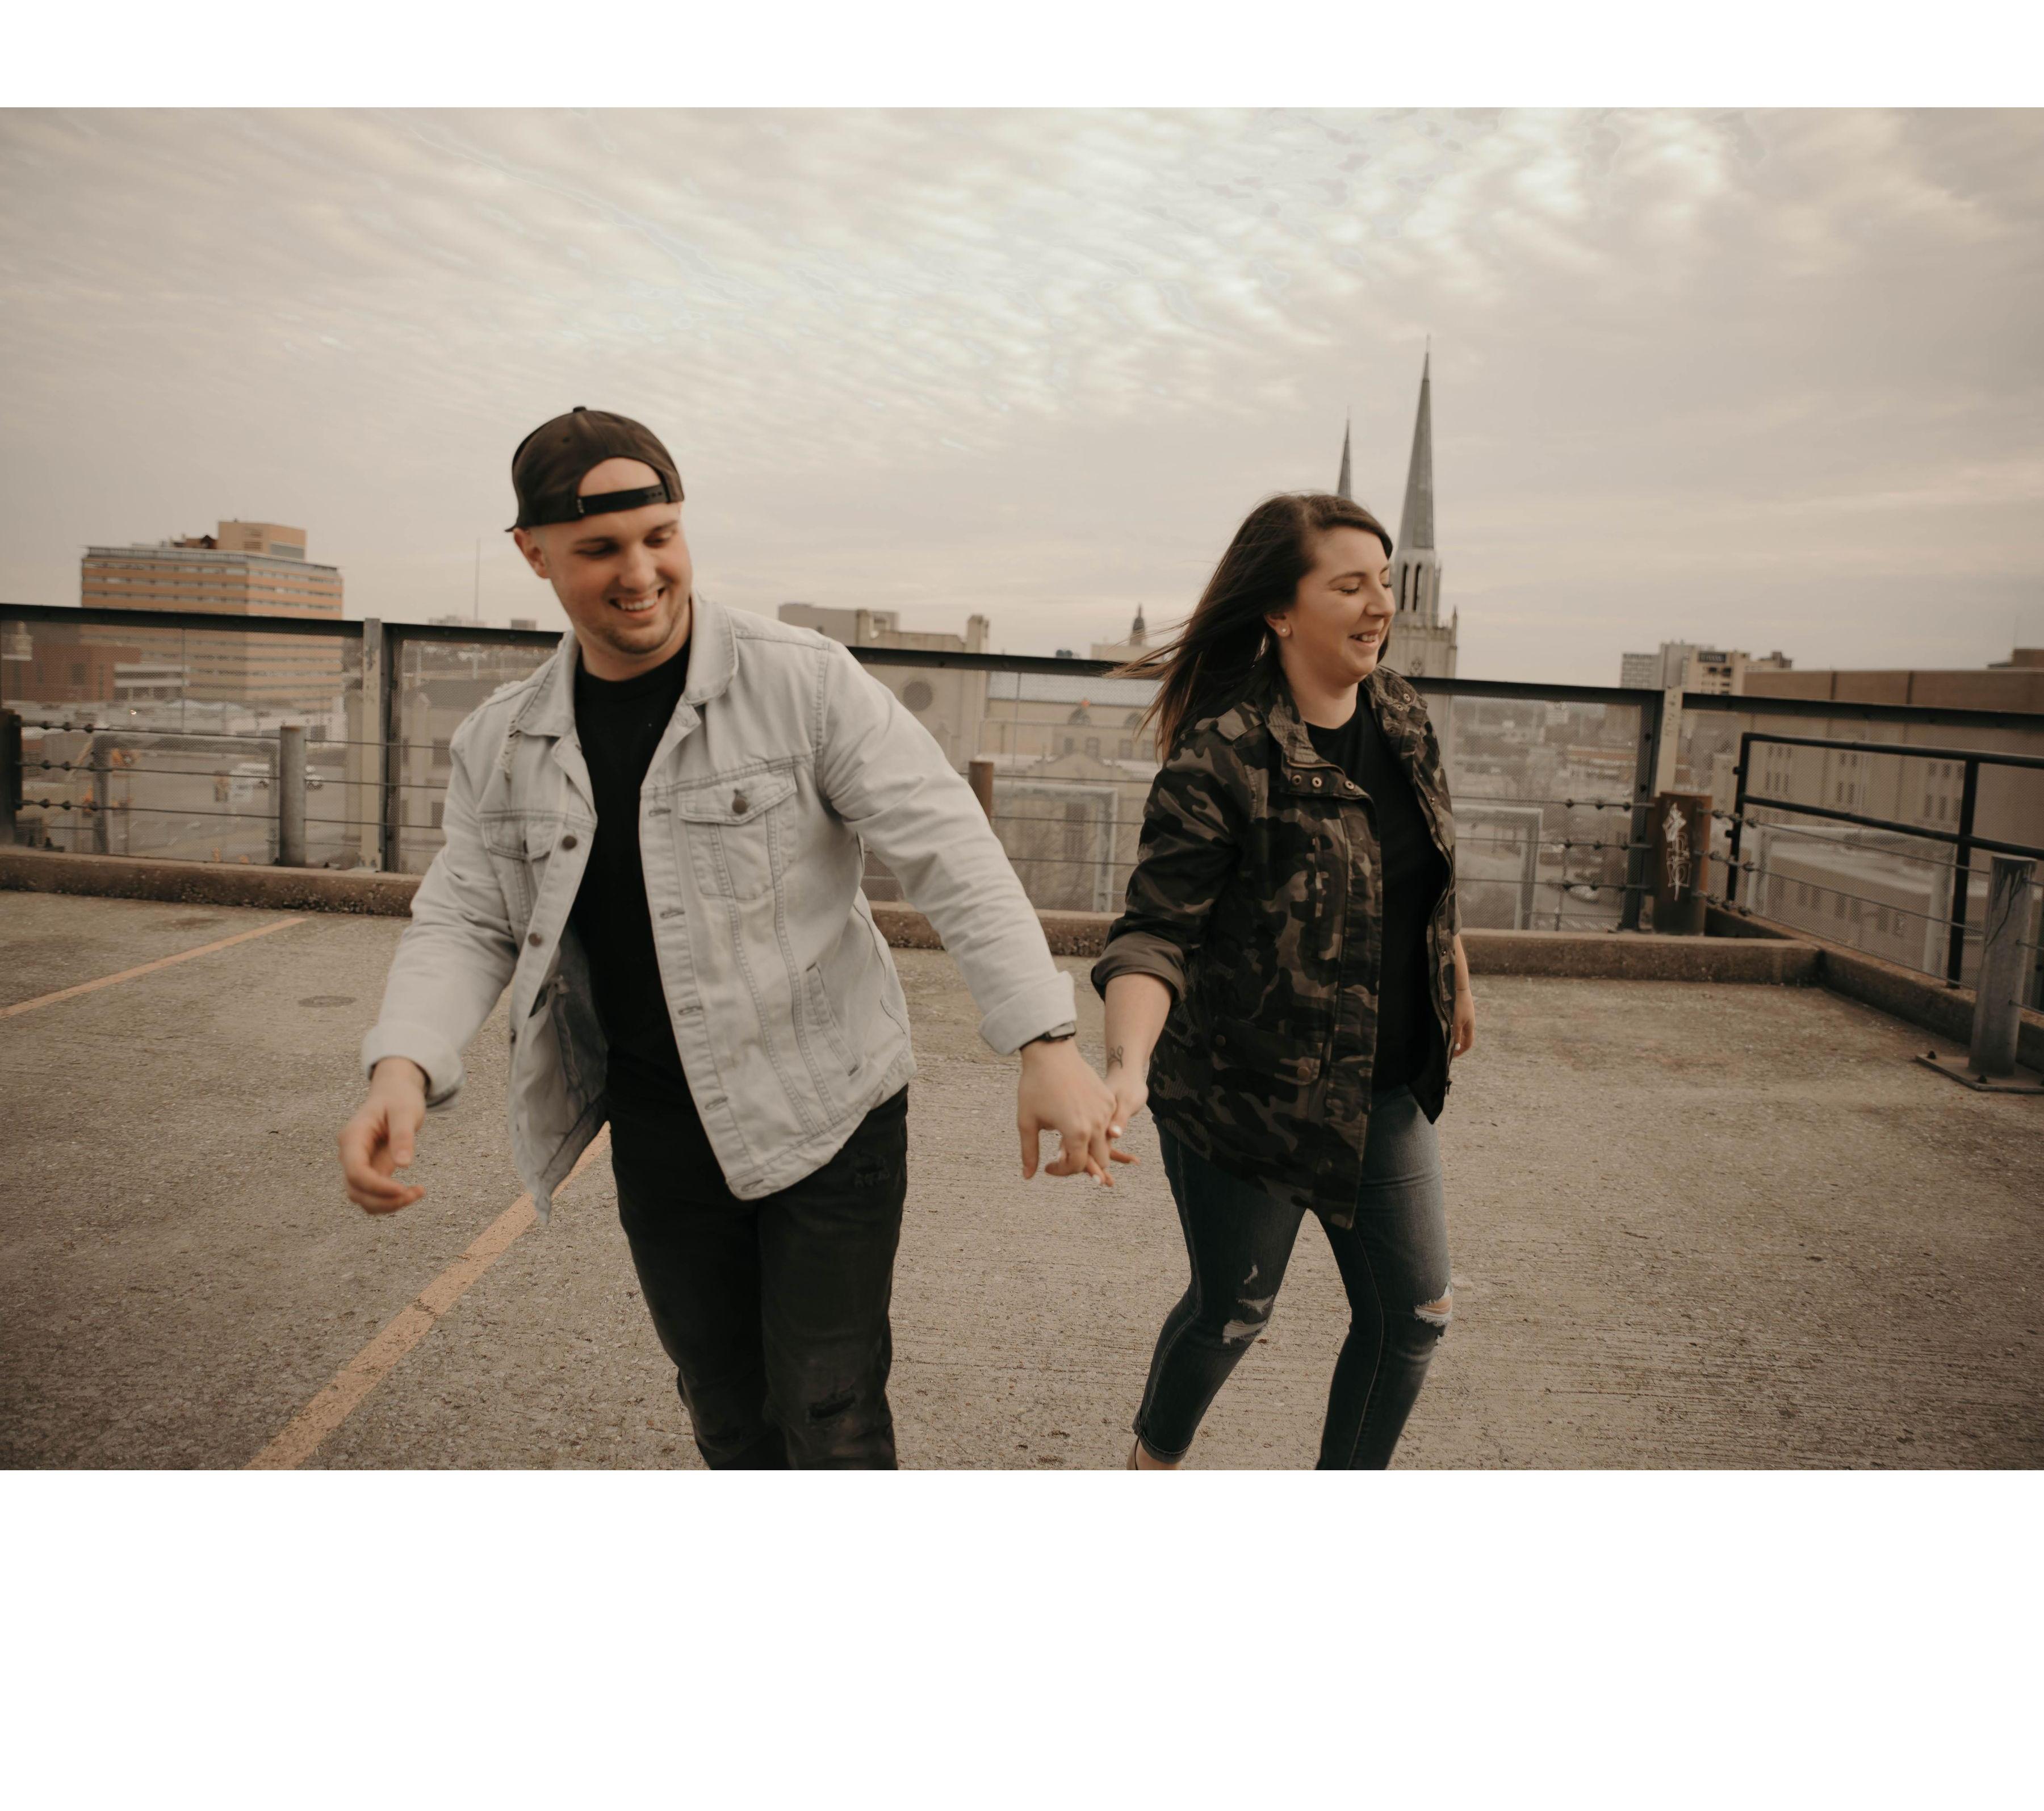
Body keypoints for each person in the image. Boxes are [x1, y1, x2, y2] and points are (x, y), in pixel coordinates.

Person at [338, 407, 1128, 1468]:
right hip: (661, 1134)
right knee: (724, 1411)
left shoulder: (802, 681)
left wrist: (1046, 1041)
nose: (641, 574)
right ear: (533, 554)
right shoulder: (505, 739)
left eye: (661, 537)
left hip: (828, 1114)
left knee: (830, 1411)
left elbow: (951, 849)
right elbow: (469, 915)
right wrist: (402, 1065)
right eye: (601, 549)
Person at [1095, 491, 1475, 1470]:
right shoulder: (1223, 753)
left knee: (1415, 1315)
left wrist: (1452, 967)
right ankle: (1149, 1467)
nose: (1379, 605)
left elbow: (1417, 863)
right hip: (1246, 1105)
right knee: (1233, 1312)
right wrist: (1127, 1066)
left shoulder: (1401, 712)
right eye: (1349, 586)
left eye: (1384, 581)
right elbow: (1155, 932)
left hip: (1383, 1093)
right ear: (1279, 611)